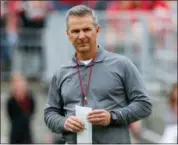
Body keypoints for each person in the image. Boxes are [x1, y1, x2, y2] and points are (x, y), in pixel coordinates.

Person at [44, 5, 152, 144]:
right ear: (68, 34)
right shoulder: (60, 73)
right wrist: (64, 122)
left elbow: (144, 105)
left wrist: (113, 117)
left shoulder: (122, 65)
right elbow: (50, 113)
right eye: (76, 31)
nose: (81, 36)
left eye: (87, 29)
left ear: (97, 30)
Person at [6, 72, 35, 144]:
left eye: (21, 83)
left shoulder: (29, 99)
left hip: (27, 134)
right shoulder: (11, 101)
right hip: (15, 135)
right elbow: (11, 116)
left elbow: (31, 112)